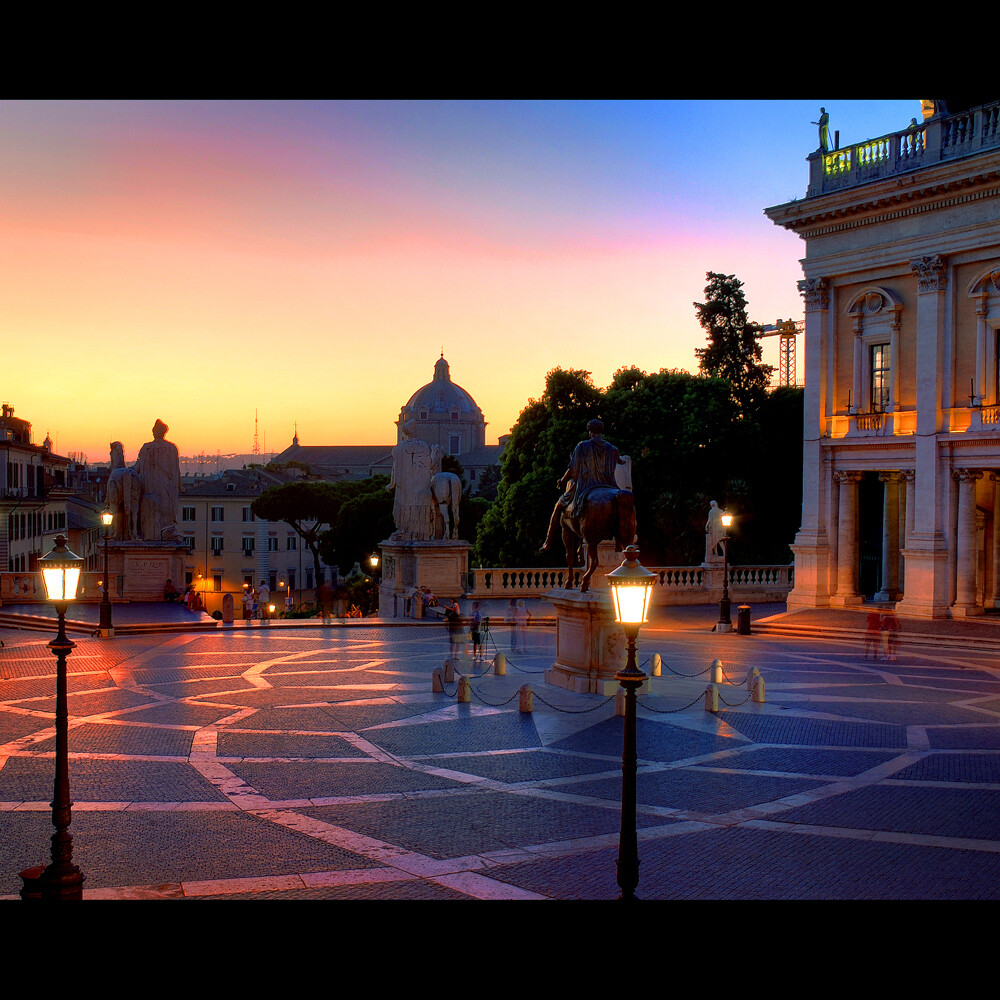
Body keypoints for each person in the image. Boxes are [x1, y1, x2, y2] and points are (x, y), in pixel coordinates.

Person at [540, 418, 627, 552]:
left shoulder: (582, 446)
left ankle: (548, 541)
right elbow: (621, 460)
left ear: (590, 432)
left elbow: (572, 469)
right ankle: (620, 540)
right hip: (610, 487)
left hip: (587, 486)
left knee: (558, 507)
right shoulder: (612, 448)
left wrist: (562, 481)